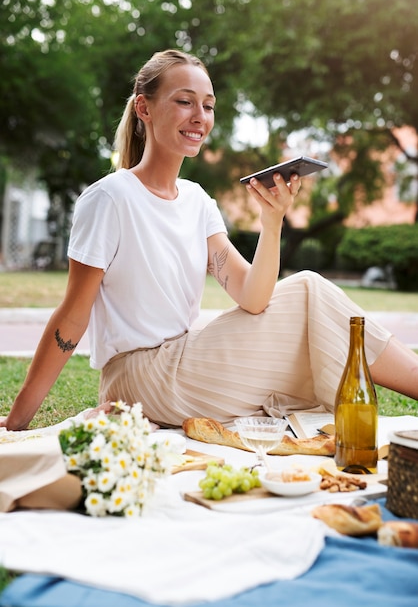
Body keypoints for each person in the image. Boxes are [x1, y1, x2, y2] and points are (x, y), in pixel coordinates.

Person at [1, 49, 418, 432]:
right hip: (138, 378)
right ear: (143, 108)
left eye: (208, 105)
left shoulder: (198, 201)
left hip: (183, 361)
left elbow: (254, 299)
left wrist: (272, 223)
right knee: (310, 289)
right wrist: (18, 420)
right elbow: (72, 318)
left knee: (307, 294)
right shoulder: (109, 198)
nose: (200, 115)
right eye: (184, 101)